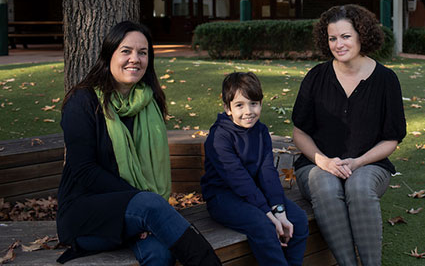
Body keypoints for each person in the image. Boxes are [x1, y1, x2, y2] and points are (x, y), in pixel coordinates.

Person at [56, 21, 220, 266]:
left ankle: (143, 221)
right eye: (126, 51)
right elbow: (84, 171)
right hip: (87, 212)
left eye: (142, 53)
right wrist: (140, 204)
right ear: (108, 54)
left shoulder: (148, 102)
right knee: (150, 206)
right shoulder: (83, 101)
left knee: (160, 254)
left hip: (139, 211)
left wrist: (143, 212)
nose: (135, 59)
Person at [291, 4, 407, 266]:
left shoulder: (386, 79)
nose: (338, 44)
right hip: (317, 164)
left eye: (345, 36)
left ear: (361, 36)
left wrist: (357, 162)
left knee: (359, 186)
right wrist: (323, 161)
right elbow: (299, 132)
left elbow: (392, 138)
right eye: (332, 38)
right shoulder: (316, 77)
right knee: (325, 184)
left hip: (370, 165)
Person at [201, 72, 309, 266]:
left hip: (256, 192)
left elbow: (267, 173)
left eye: (254, 103)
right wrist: (270, 215)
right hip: (224, 197)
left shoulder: (261, 131)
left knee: (298, 220)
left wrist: (280, 210)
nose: (248, 111)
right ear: (227, 108)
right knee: (265, 226)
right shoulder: (219, 137)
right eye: (239, 105)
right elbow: (239, 180)